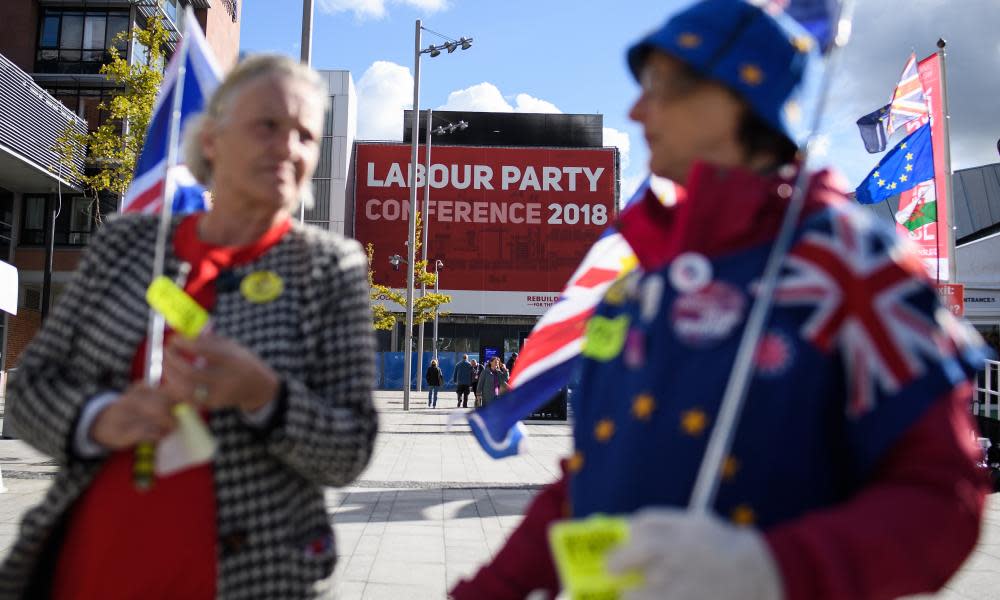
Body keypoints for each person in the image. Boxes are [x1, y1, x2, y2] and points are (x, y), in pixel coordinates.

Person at [451, 2, 990, 599]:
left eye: (660, 88)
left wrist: (768, 568)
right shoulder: (641, 278)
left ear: (736, 96)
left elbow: (944, 501)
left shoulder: (852, 263)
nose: (635, 110)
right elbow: (588, 481)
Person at [0, 55, 378, 599]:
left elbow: (350, 448)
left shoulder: (328, 268)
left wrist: (263, 394)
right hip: (91, 567)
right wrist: (102, 418)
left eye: (305, 135)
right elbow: (28, 393)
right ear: (212, 141)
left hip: (251, 578)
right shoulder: (127, 245)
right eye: (268, 125)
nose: (289, 148)